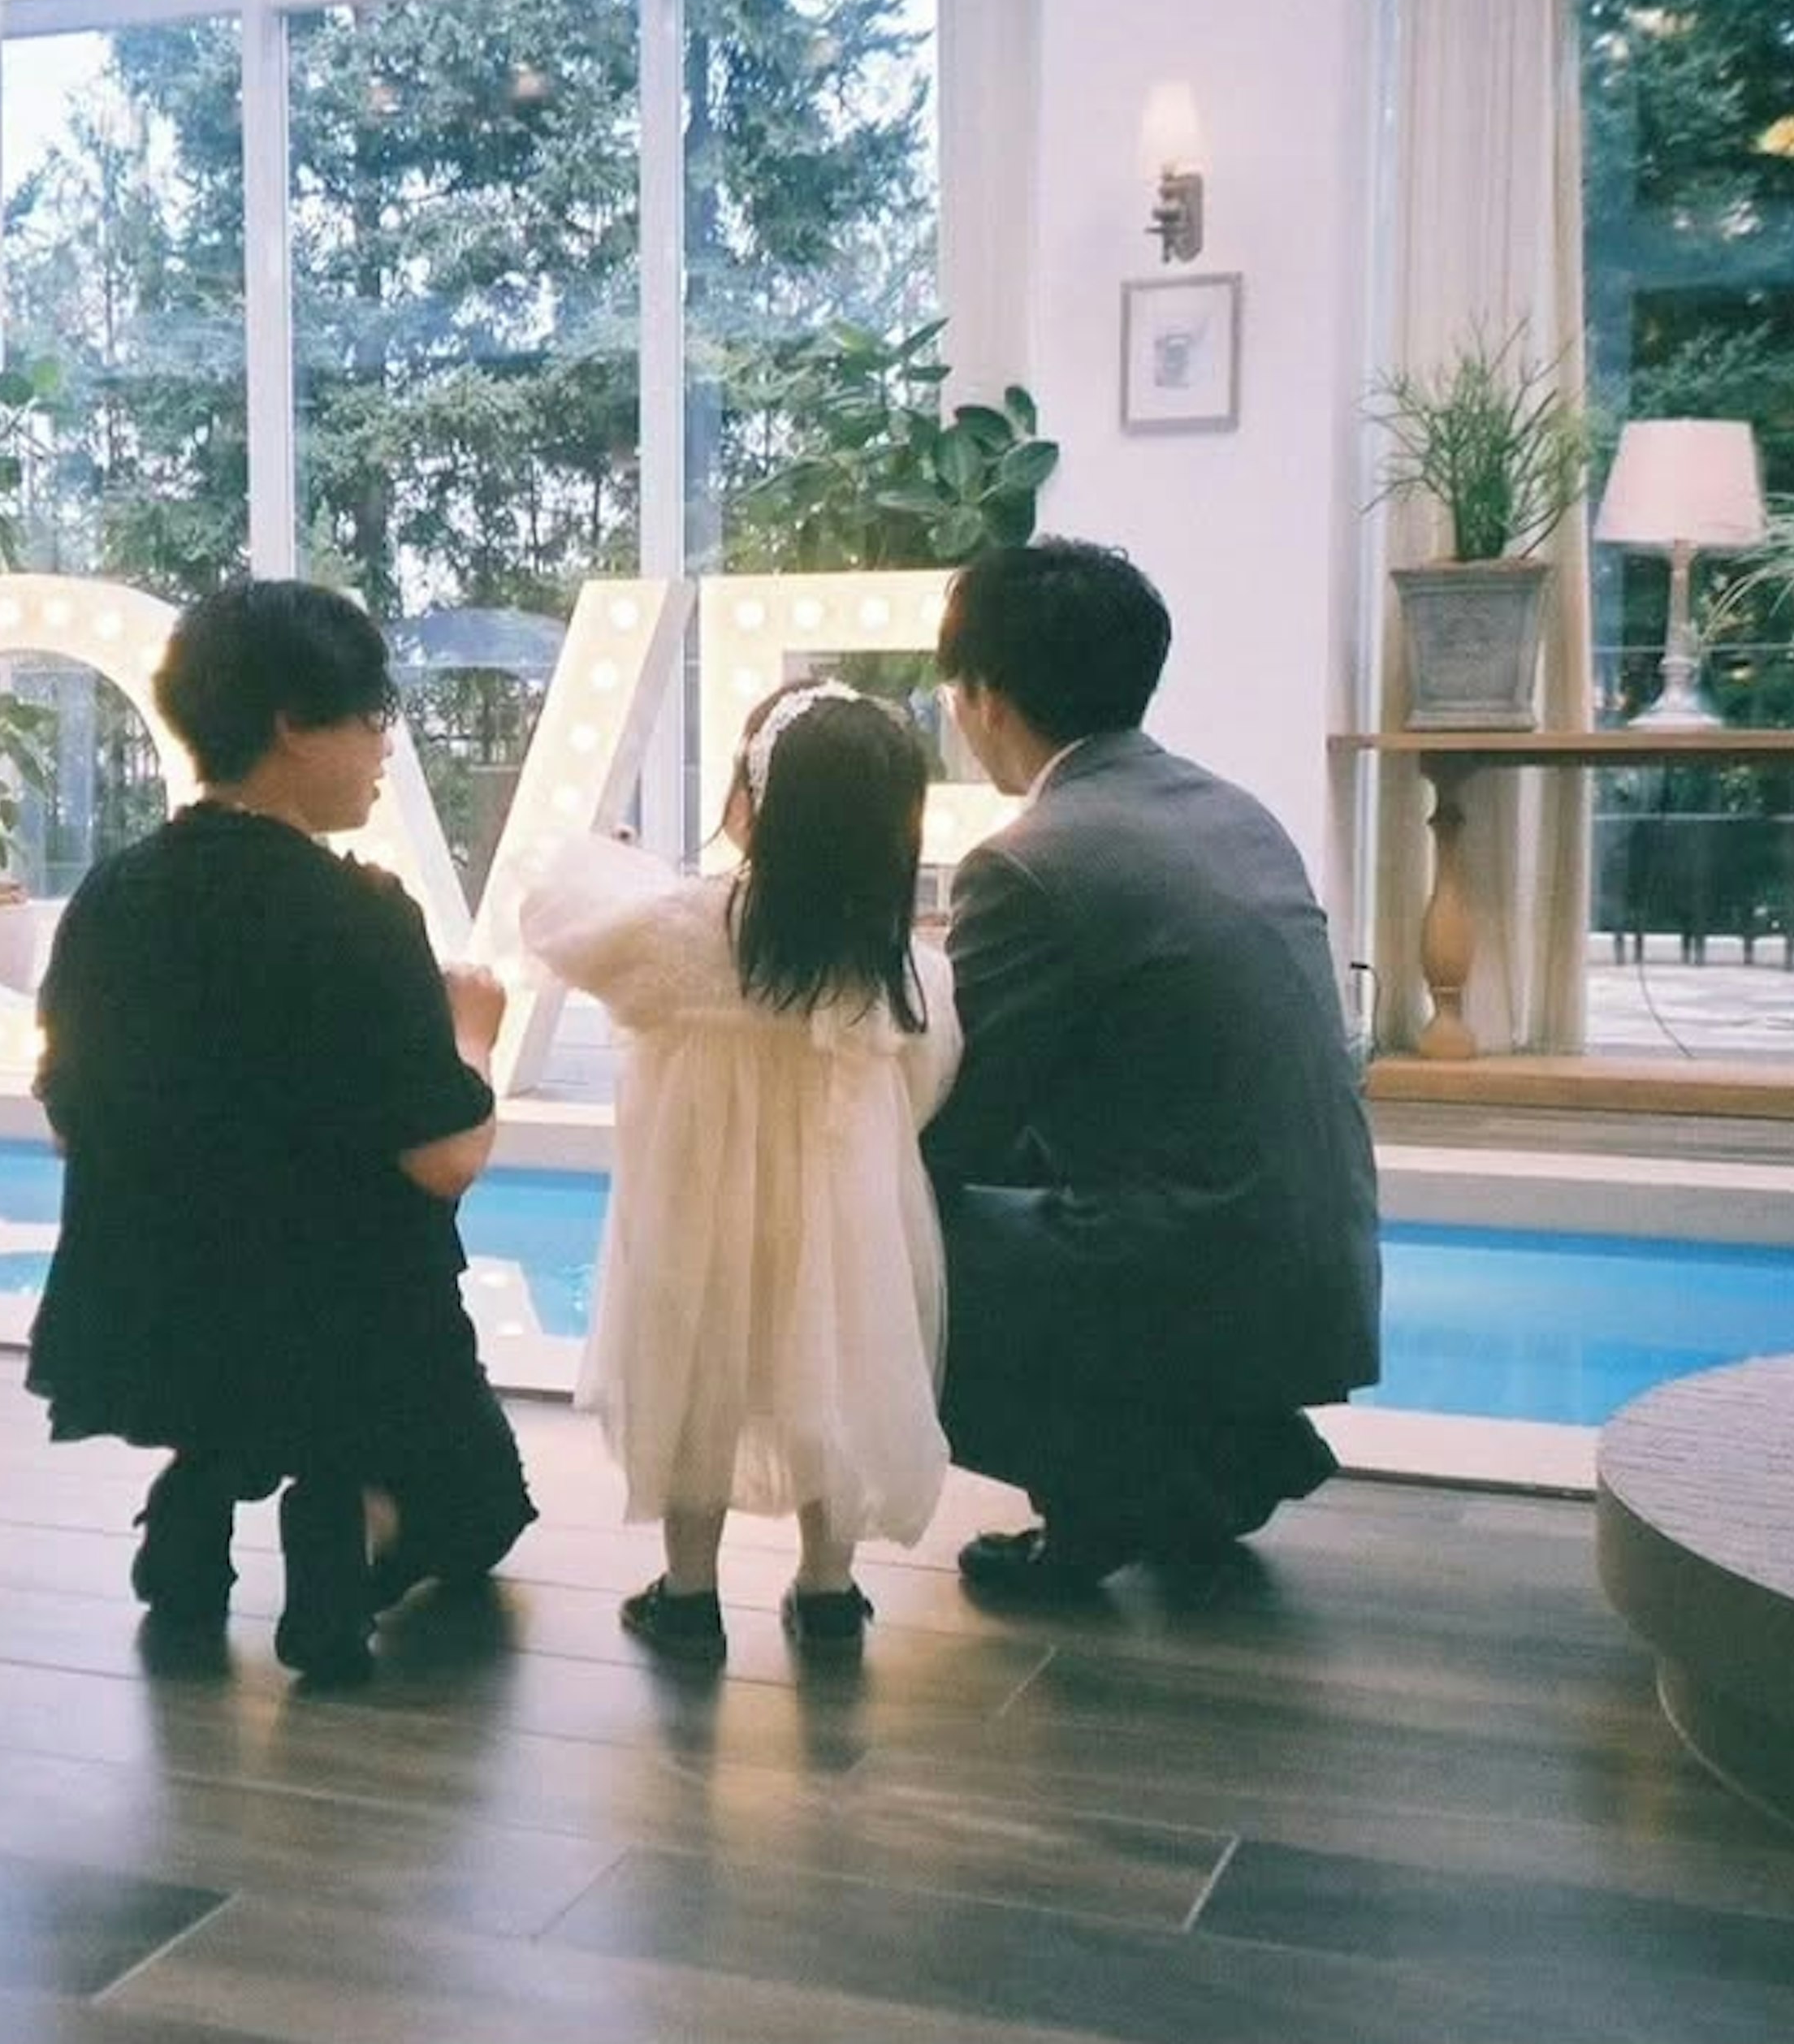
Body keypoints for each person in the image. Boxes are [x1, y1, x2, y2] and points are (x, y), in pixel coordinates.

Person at [25, 578, 536, 1683]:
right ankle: (353, 1527)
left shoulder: (109, 899)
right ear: (293, 725)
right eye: (370, 718)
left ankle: (200, 1494)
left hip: (161, 1322)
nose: (385, 746)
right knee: (484, 1507)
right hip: (352, 1331)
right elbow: (445, 1156)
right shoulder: (359, 914)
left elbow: (74, 1114)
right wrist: (475, 1030)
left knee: (243, 1375)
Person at [922, 537, 1380, 1594]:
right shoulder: (1232, 809)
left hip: (1198, 1270)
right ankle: (1224, 1451)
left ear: (985, 695)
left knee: (860, 1234)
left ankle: (1108, 1490)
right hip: (1311, 1272)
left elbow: (960, 1125)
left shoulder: (1030, 860)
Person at [522, 680, 960, 1659]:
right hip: (842, 1230)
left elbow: (553, 915)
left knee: (692, 1386)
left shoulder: (676, 935)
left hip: (693, 1223)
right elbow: (925, 1090)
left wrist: (630, 865)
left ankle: (688, 1595)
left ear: (750, 808)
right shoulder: (906, 972)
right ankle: (830, 1589)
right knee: (833, 1383)